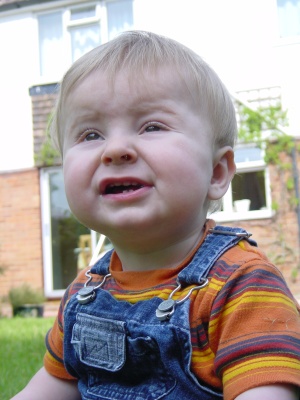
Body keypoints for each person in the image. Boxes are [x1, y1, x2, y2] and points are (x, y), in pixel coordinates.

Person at [12, 30, 300, 400]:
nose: (114, 149)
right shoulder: (84, 291)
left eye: (152, 127)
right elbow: (53, 386)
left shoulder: (241, 285)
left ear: (216, 173)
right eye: (90, 135)